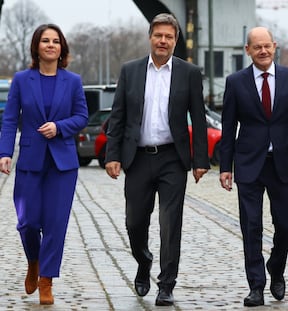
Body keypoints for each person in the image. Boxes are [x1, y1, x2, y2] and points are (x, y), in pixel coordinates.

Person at [104, 13, 209, 306]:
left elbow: (199, 120)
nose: (163, 41)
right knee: (134, 222)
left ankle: (166, 284)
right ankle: (143, 260)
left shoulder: (189, 73)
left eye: (169, 37)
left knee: (170, 222)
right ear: (150, 37)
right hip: (137, 158)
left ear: (175, 41)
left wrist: (200, 159)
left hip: (172, 159)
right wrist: (112, 155)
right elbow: (118, 116)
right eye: (158, 35)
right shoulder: (131, 71)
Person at [219, 26, 288, 307]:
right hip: (249, 163)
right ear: (248, 50)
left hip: (283, 163)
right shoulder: (235, 82)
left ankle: (276, 266)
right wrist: (225, 167)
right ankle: (256, 285)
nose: (263, 51)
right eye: (256, 47)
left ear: (275, 47)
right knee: (251, 226)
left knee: (286, 224)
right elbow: (227, 128)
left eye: (267, 46)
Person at [0, 24, 88, 305]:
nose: (51, 45)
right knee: (27, 222)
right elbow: (10, 118)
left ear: (62, 48)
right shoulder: (22, 80)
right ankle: (34, 261)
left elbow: (82, 116)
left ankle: (46, 279)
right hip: (29, 160)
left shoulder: (72, 81)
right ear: (36, 46)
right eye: (45, 41)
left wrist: (59, 127)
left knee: (55, 224)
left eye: (56, 41)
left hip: (63, 165)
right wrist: (4, 153)